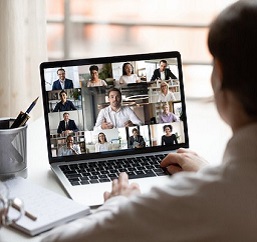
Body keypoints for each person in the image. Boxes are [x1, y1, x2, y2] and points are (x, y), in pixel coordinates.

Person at [42, 1, 257, 241]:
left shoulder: (190, 202)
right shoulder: (223, 191)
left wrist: (118, 205)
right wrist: (209, 174)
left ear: (220, 72)